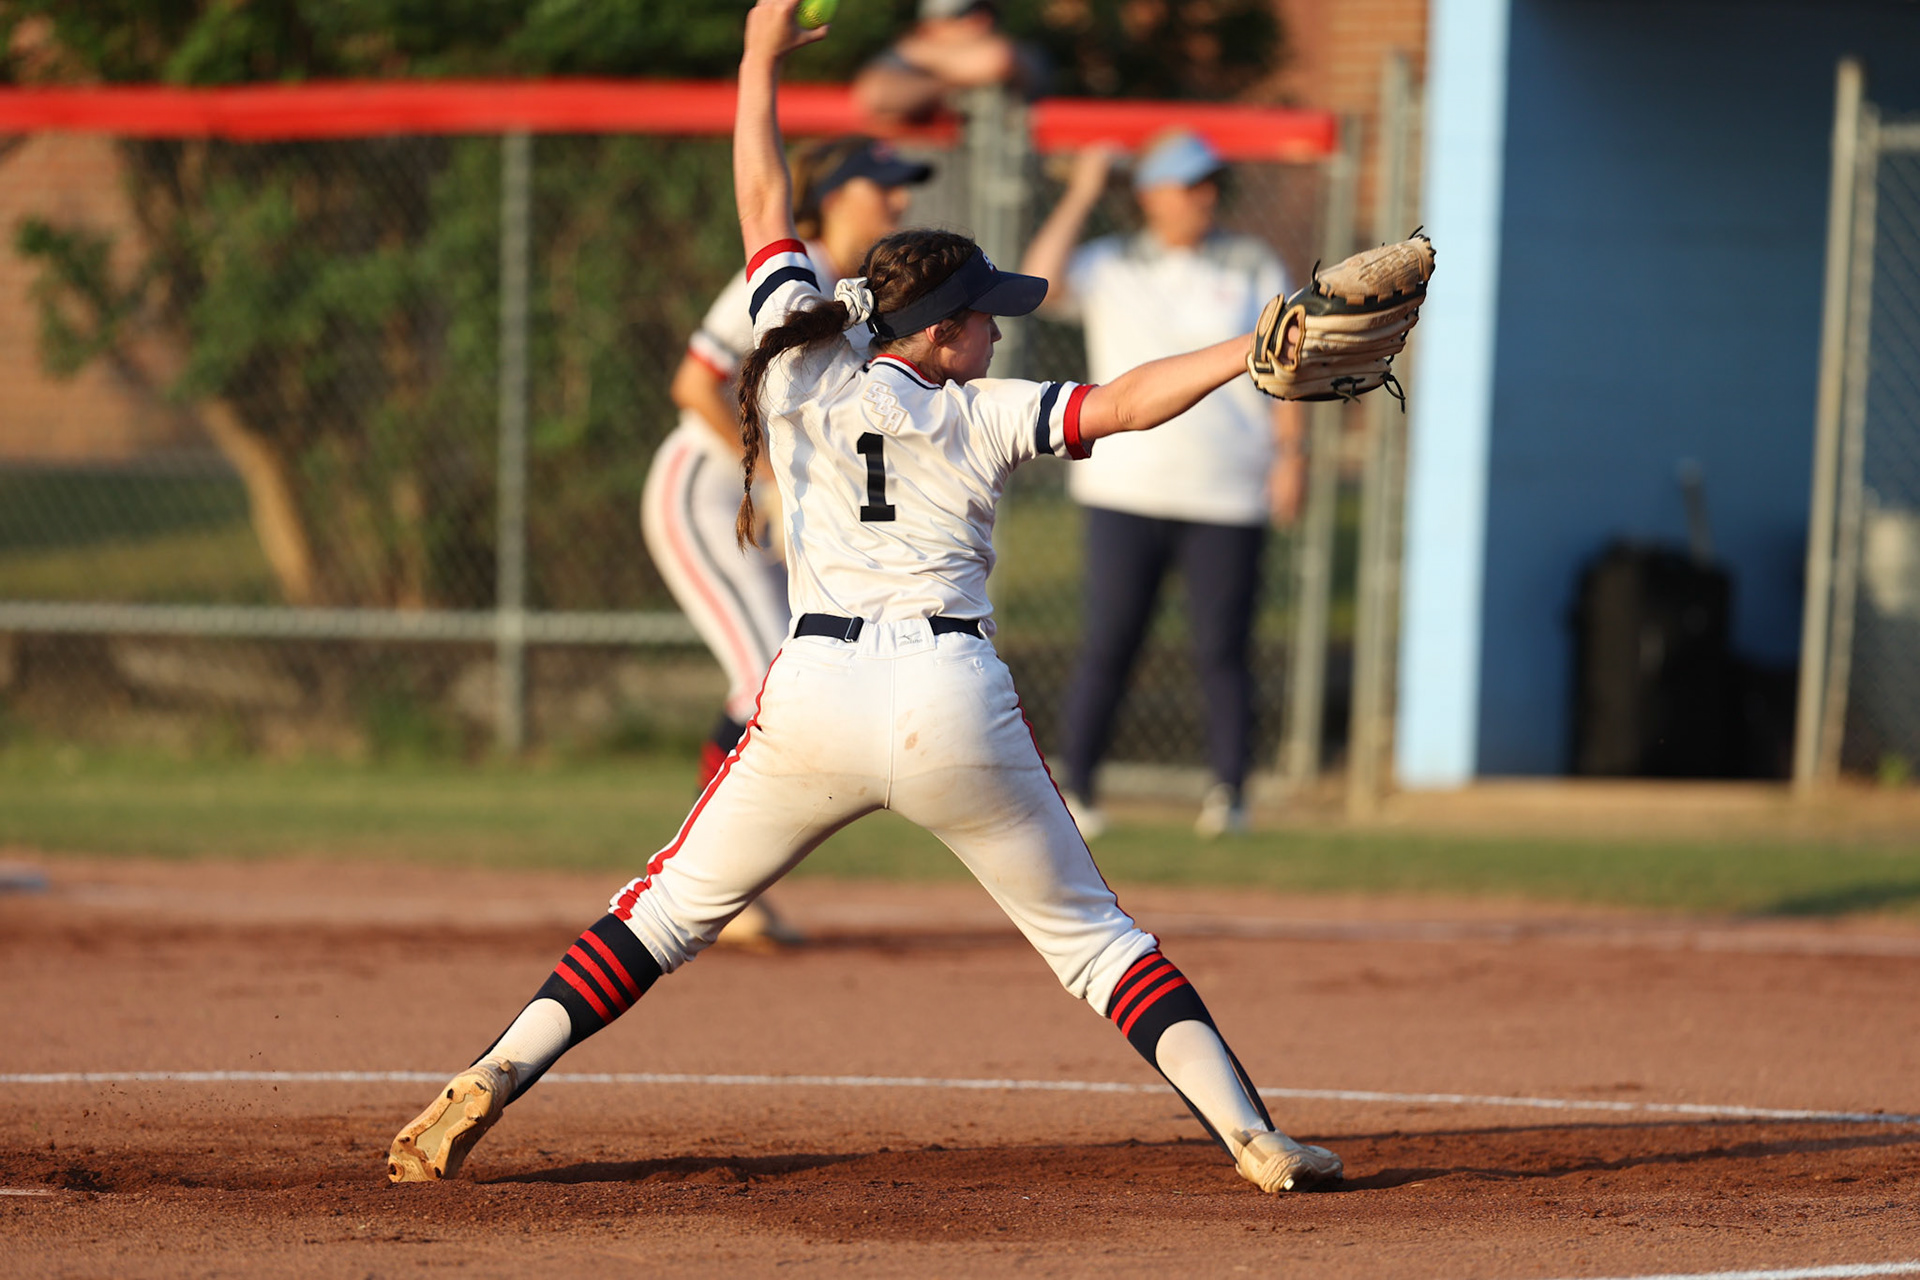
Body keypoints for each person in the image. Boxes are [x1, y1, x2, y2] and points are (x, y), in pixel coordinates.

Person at [385, 0, 1342, 1199]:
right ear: (941, 337)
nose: (999, 326)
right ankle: (1255, 1134)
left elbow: (759, 200)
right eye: (985, 311)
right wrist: (1250, 347)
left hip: (817, 696)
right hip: (952, 698)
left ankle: (494, 1068)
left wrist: (755, 59)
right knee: (1100, 945)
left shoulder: (797, 358)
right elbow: (1132, 399)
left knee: (662, 916)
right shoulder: (982, 410)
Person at [642, 135, 932, 946]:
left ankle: (714, 883)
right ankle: (705, 886)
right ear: (836, 194)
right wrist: (768, 474)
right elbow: (692, 384)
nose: (899, 202)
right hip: (706, 495)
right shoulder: (786, 269)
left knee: (786, 681)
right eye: (884, 186)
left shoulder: (863, 292)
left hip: (770, 509)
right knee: (764, 684)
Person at [1017, 133, 1307, 840]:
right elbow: (1036, 286)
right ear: (1149, 195)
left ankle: (1230, 794)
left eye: (1209, 181)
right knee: (1110, 642)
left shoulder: (1248, 263)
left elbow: (1290, 357)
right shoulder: (1108, 263)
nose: (1203, 195)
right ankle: (1079, 790)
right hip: (1126, 489)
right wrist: (1085, 190)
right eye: (1186, 183)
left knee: (1223, 648)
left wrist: (1290, 452)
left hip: (1226, 490)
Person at [851, 0, 1046, 128]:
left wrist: (922, 54)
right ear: (930, 27)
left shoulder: (1025, 54)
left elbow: (996, 60)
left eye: (989, 11)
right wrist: (950, 85)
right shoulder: (902, 60)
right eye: (967, 13)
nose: (983, 20)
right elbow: (876, 95)